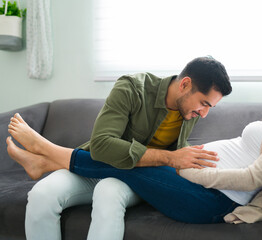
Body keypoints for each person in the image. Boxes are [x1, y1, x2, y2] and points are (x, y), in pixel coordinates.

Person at [7, 61, 262, 231]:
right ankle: (49, 160)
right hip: (196, 185)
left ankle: (49, 155)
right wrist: (179, 165)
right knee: (131, 162)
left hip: (211, 200)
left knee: (132, 164)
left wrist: (188, 173)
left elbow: (251, 178)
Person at [6, 56, 232, 240]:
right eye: (204, 103)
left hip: (136, 179)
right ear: (185, 85)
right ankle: (47, 159)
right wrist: (170, 158)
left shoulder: (190, 112)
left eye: (210, 107)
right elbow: (102, 144)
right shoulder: (133, 88)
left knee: (109, 192)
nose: (204, 114)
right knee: (41, 195)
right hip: (99, 165)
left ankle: (47, 158)